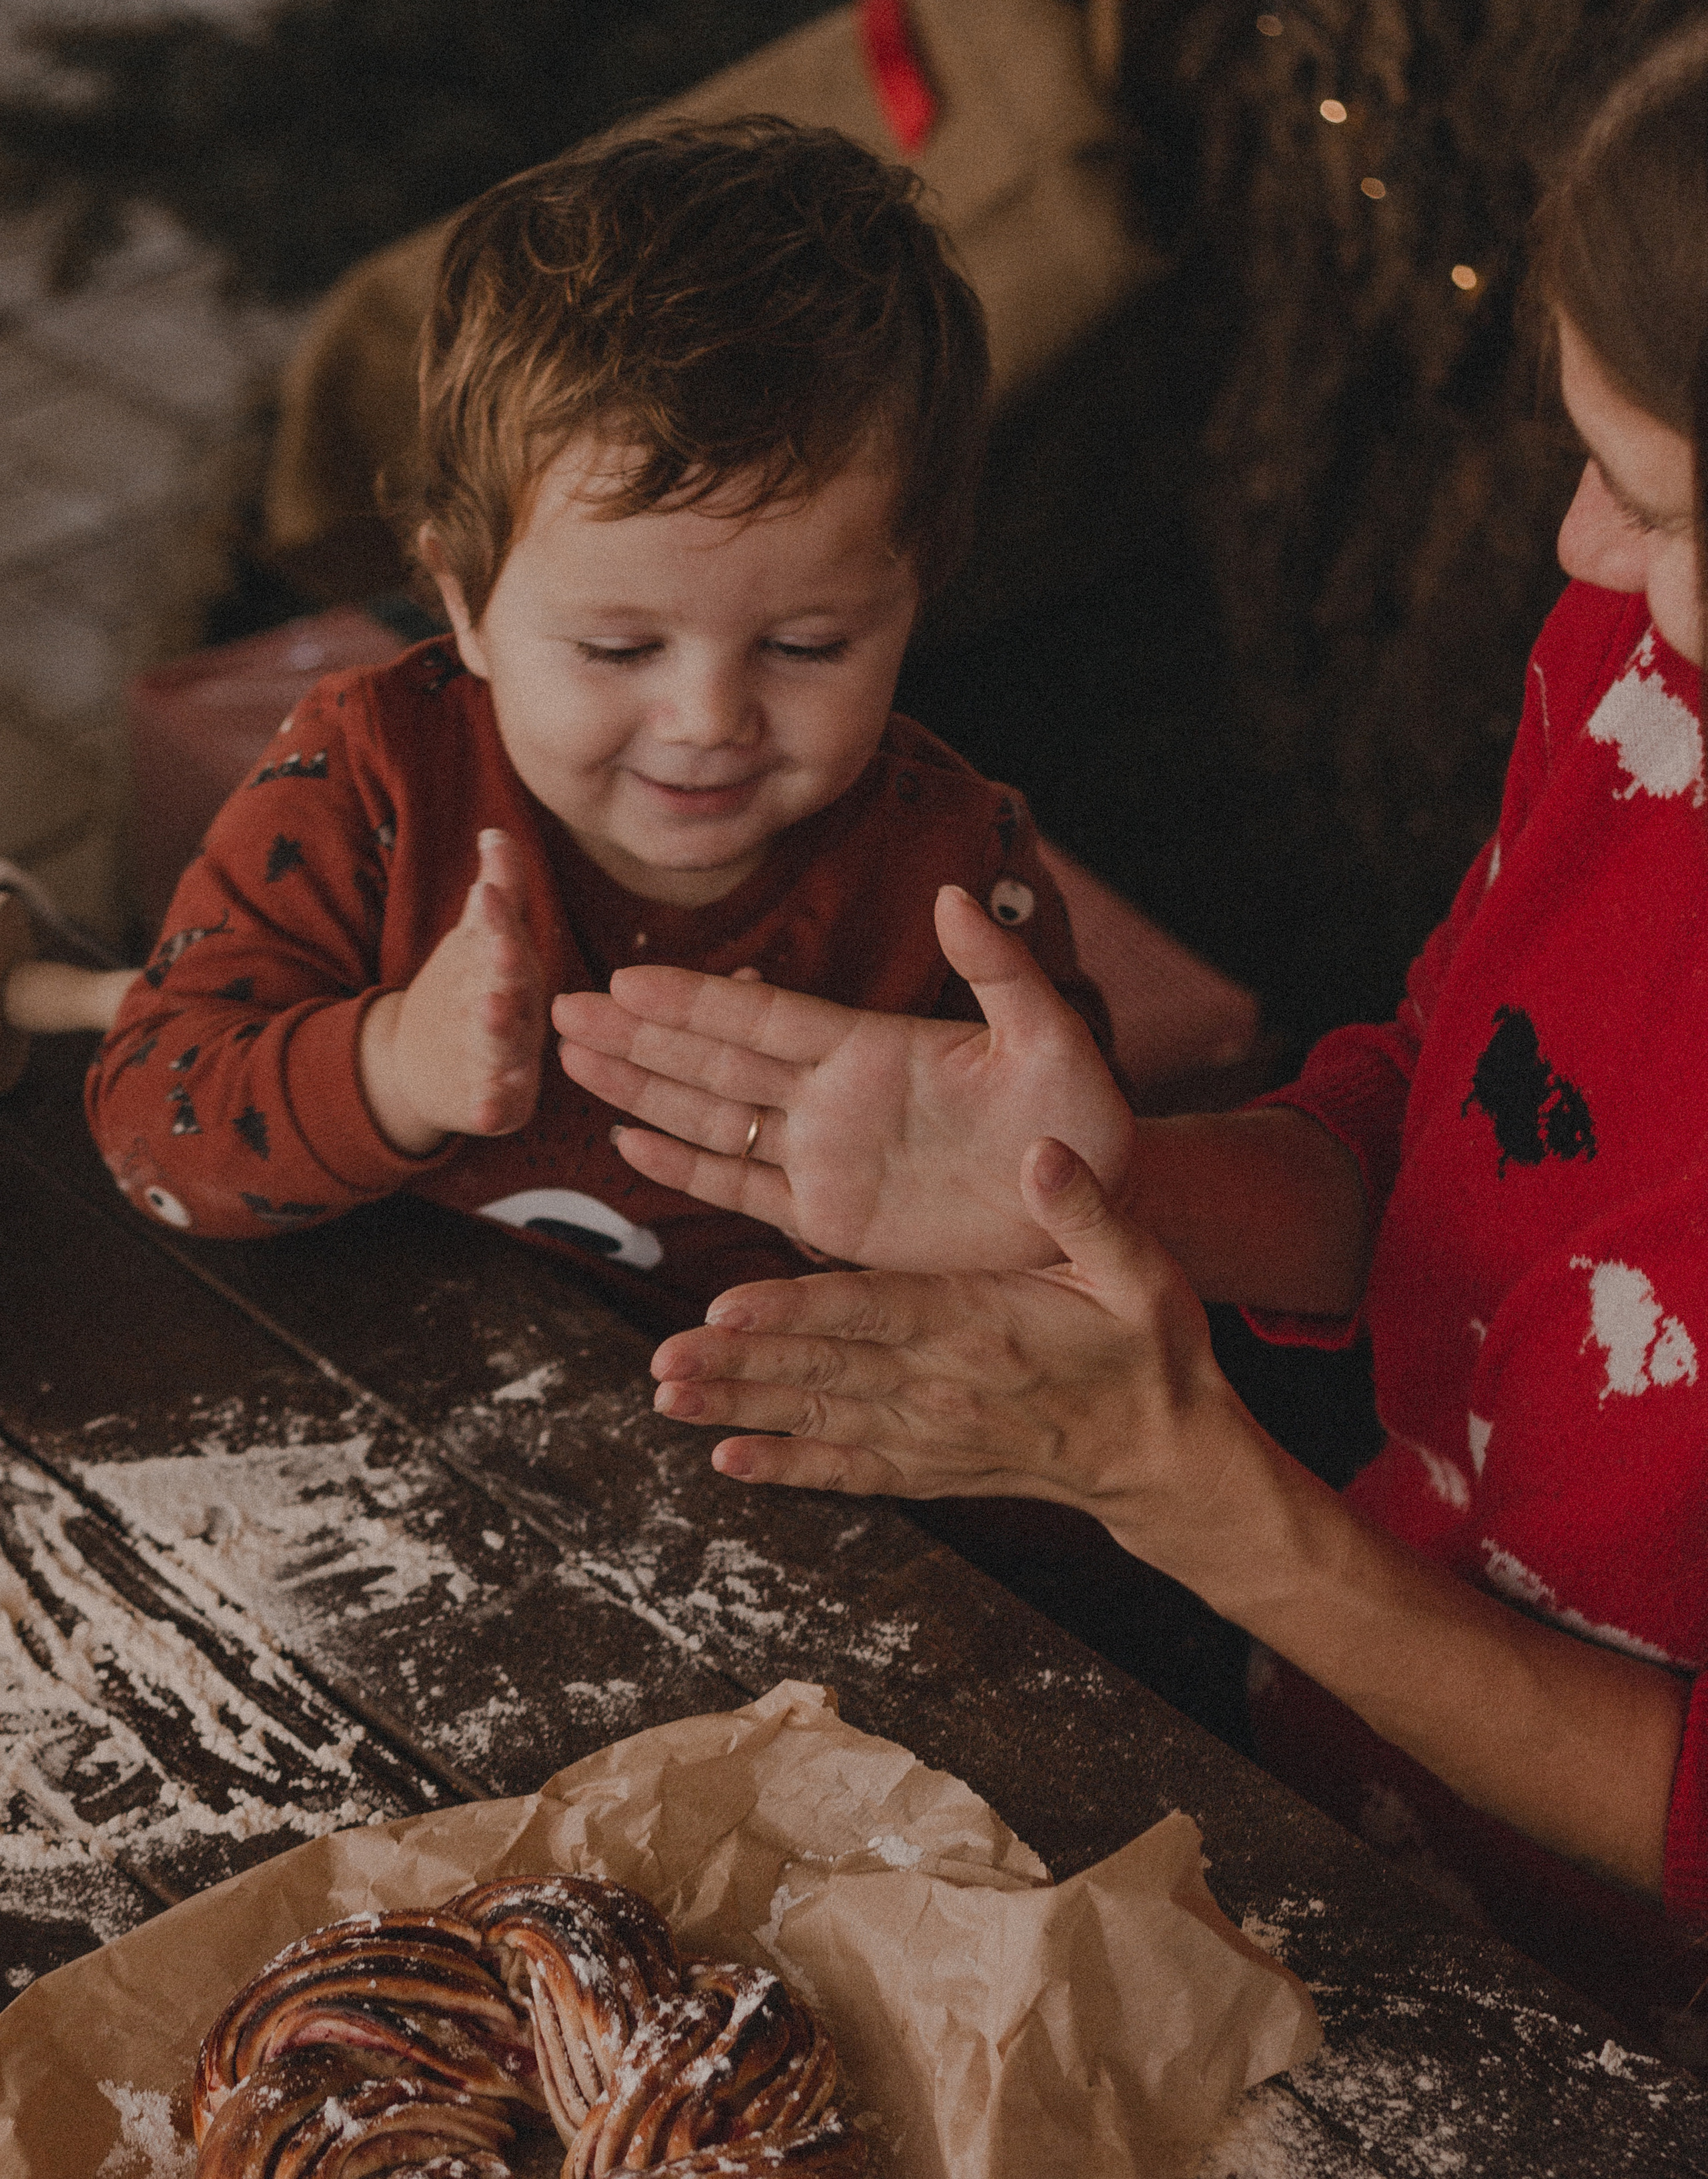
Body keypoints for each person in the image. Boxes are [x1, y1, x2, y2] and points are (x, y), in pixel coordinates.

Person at [553, 26, 1708, 2030]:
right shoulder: (1643, 675)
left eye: (1661, 503)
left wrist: (1209, 1514)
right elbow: (1460, 1133)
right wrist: (1108, 1184)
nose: (1577, 554)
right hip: (1347, 1836)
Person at [85, 120, 1105, 1331]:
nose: (710, 718)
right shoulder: (372, 780)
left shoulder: (958, 882)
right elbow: (151, 1125)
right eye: (620, 649)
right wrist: (394, 1065)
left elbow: (1076, 1243)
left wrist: (1041, 1208)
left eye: (807, 646)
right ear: (462, 599)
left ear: (913, 597)